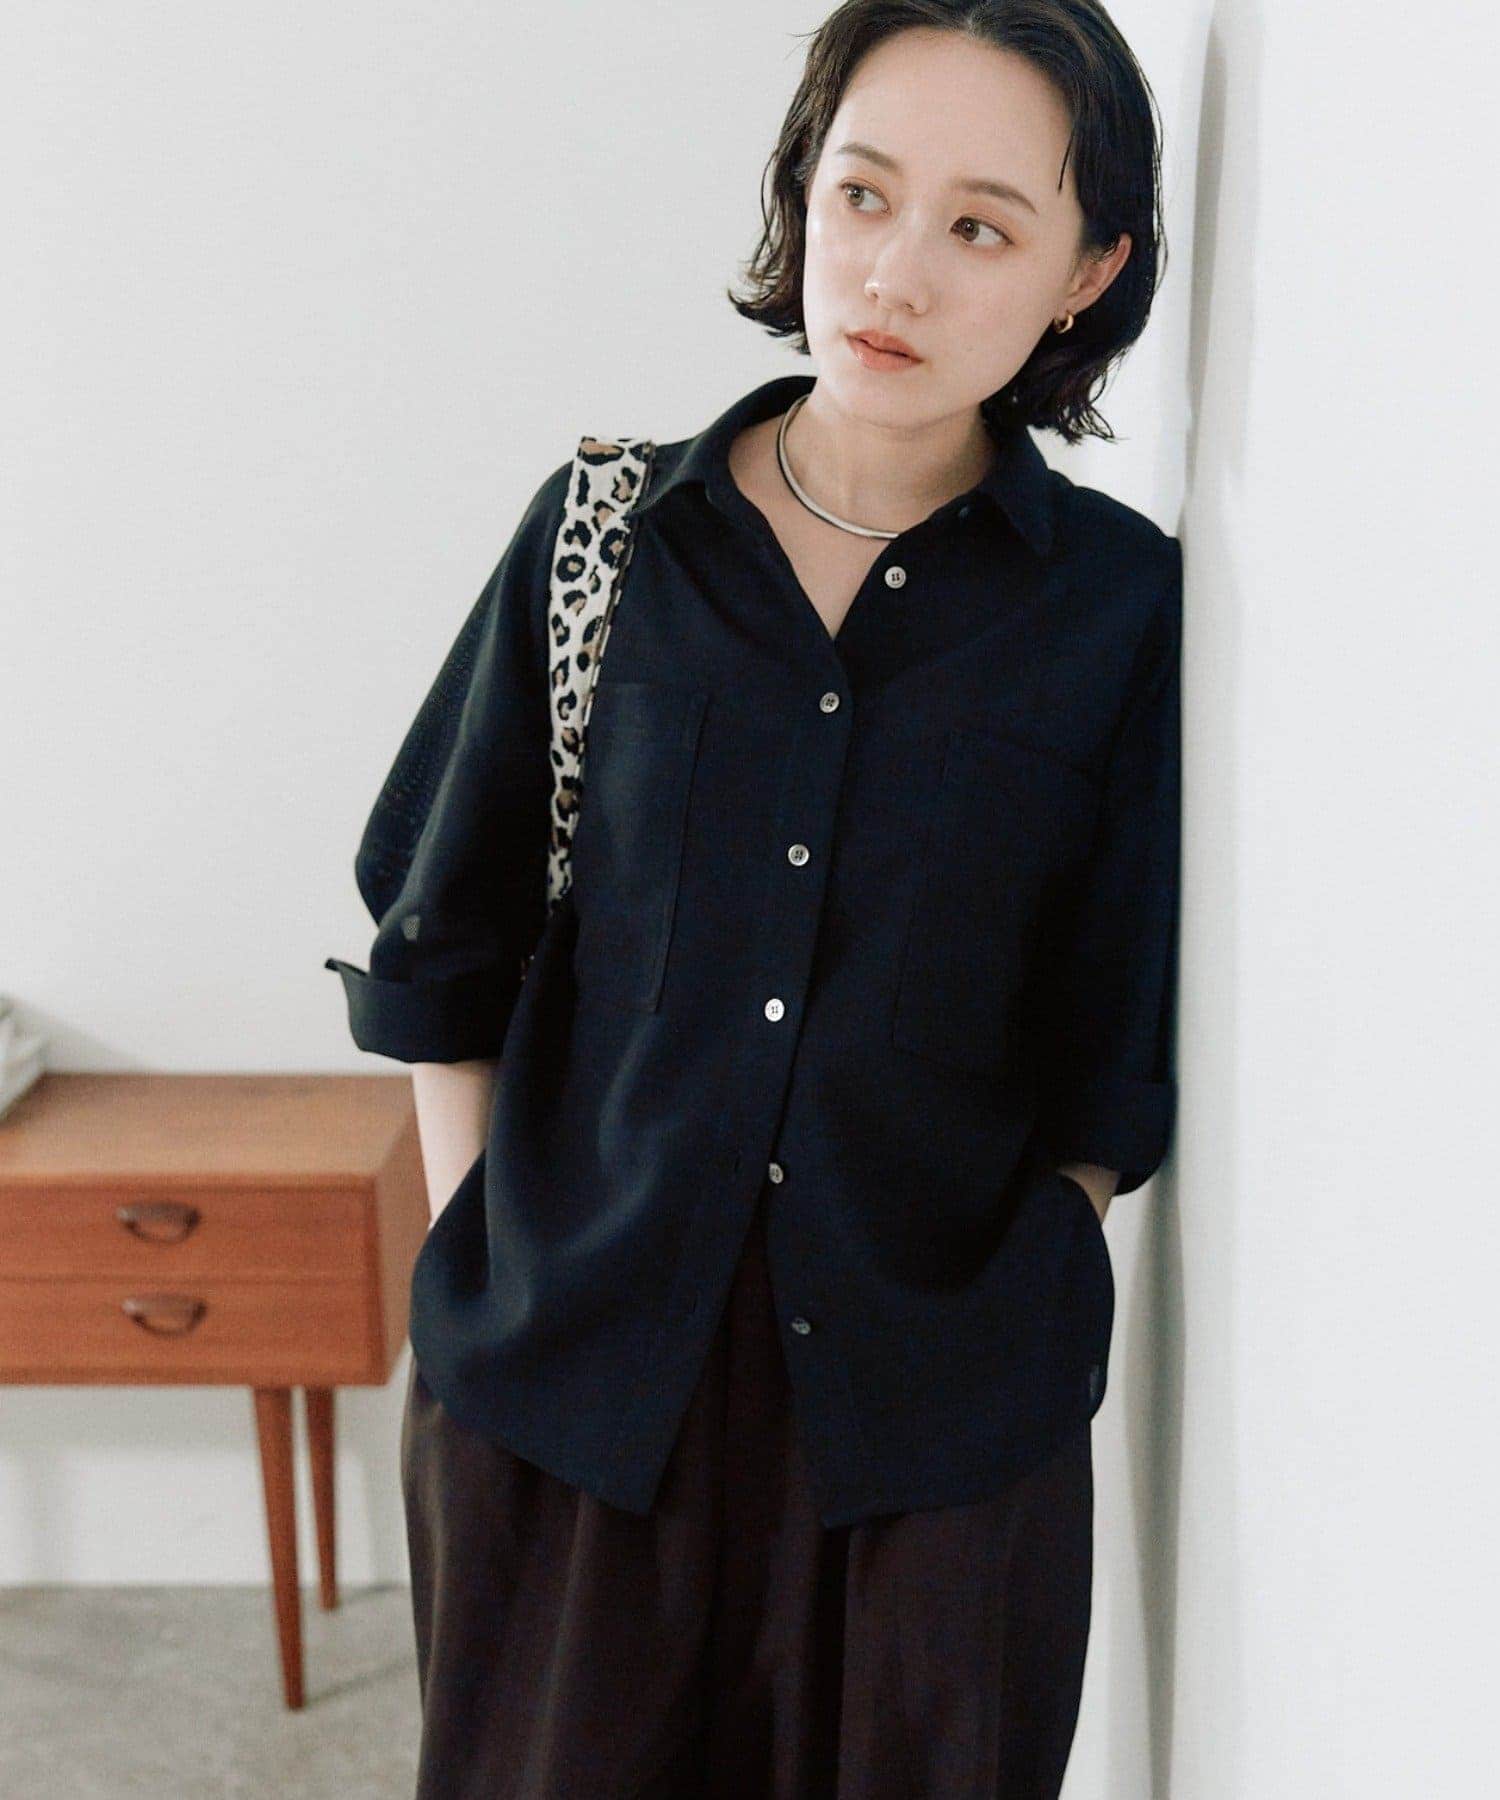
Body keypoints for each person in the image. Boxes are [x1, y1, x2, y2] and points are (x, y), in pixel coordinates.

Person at [325, 2, 1181, 1794]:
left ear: (1088, 272)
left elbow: (1114, 1042)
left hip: (935, 1448)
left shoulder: (1117, 611)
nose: (894, 272)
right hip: (571, 1405)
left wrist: (1019, 1290)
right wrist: (492, 1261)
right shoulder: (602, 539)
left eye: (982, 226)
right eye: (862, 192)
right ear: (802, 186)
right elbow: (443, 943)